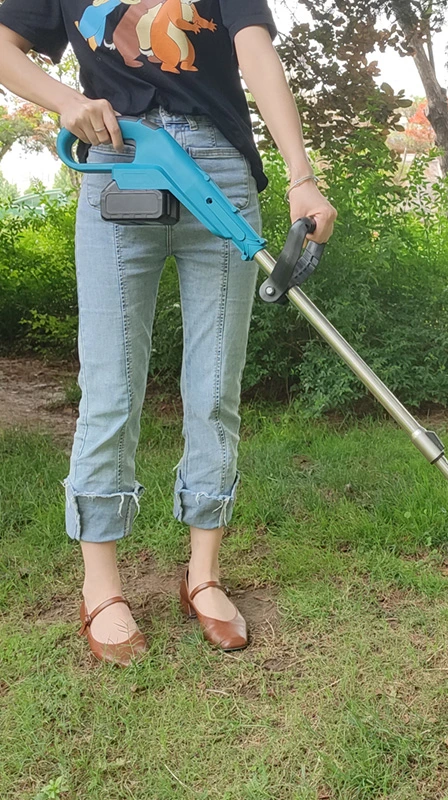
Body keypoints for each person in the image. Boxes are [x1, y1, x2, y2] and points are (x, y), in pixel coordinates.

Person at [0, 0, 336, 665]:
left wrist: (303, 176)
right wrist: (66, 99)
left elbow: (255, 51)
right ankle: (103, 588)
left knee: (214, 387)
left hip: (220, 169)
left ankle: (203, 575)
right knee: (110, 387)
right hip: (116, 161)